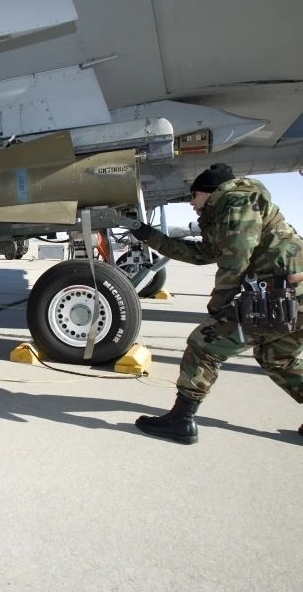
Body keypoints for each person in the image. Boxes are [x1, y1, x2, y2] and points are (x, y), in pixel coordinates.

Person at [130, 163, 303, 443]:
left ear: (209, 192)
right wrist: (146, 234)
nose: (191, 202)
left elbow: (235, 260)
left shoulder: (235, 202)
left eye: (194, 195)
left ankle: (181, 420)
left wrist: (218, 305)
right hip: (294, 297)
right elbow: (201, 253)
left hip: (283, 296)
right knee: (277, 357)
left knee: (204, 345)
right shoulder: (237, 208)